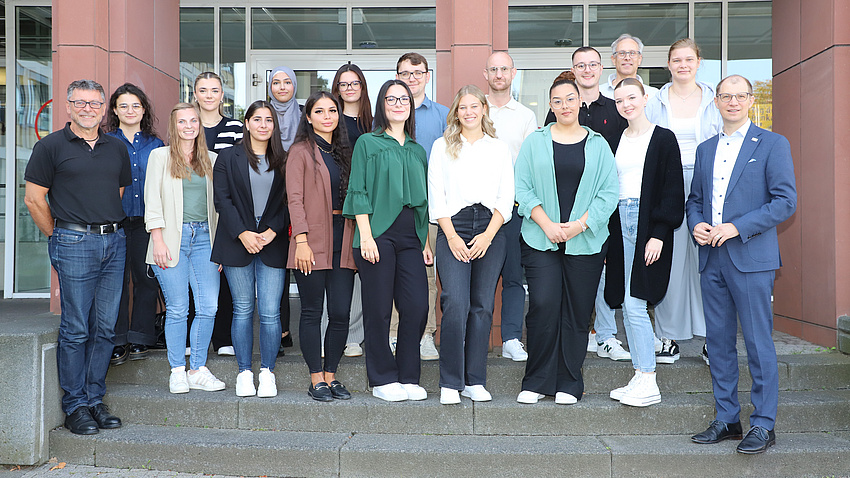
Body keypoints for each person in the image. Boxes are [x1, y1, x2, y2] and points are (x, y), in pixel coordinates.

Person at [688, 75, 796, 454]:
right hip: (712, 258)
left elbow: (785, 202)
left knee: (757, 342)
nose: (732, 102)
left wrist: (736, 227)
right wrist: (696, 223)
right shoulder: (704, 150)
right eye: (725, 96)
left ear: (751, 100)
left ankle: (764, 424)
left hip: (751, 259)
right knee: (717, 343)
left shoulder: (772, 144)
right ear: (715, 102)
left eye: (739, 95)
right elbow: (694, 200)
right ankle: (728, 418)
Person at [24, 79, 130, 435]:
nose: (88, 109)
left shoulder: (115, 148)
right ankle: (75, 406)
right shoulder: (50, 147)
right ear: (68, 106)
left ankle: (95, 398)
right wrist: (58, 234)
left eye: (94, 103)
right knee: (76, 328)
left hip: (114, 242)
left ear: (104, 109)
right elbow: (34, 199)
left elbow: (115, 190)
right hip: (73, 243)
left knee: (105, 327)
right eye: (80, 103)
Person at [513, 72, 618, 405]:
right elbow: (522, 187)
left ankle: (569, 382)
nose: (564, 105)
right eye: (557, 101)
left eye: (570, 99)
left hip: (584, 241)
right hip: (541, 237)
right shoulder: (535, 141)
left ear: (580, 102)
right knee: (543, 304)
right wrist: (547, 223)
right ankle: (536, 380)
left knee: (576, 311)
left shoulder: (598, 144)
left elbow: (609, 192)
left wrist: (579, 226)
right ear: (550, 106)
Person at [343, 79, 432, 402]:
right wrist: (365, 235)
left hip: (411, 236)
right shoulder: (368, 142)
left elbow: (421, 200)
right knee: (378, 309)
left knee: (417, 306)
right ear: (381, 105)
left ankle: (408, 375)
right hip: (377, 233)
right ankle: (382, 378)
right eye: (391, 99)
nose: (398, 104)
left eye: (403, 99)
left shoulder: (417, 149)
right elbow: (359, 190)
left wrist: (423, 241)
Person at [544, 47, 631, 361]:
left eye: (592, 64)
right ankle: (577, 332)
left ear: (601, 67)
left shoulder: (616, 107)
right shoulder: (562, 106)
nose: (587, 70)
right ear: (573, 69)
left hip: (606, 202)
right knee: (572, 272)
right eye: (580, 65)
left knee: (606, 268)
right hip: (566, 209)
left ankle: (605, 334)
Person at [429, 85, 514, 405]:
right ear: (456, 112)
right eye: (462, 107)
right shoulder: (442, 146)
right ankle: (451, 382)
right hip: (454, 226)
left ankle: (474, 380)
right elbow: (436, 196)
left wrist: (488, 235)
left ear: (483, 109)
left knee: (482, 305)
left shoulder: (498, 148)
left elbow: (506, 198)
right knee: (455, 303)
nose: (468, 112)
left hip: (491, 229)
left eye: (473, 106)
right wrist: (452, 237)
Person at [605, 78, 684, 407]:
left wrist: (659, 233)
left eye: (631, 97)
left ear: (645, 97)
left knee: (637, 301)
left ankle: (648, 380)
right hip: (621, 219)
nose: (626, 104)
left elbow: (672, 191)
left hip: (647, 222)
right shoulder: (616, 139)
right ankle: (639, 375)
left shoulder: (663, 139)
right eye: (620, 100)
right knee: (626, 301)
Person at [646, 38, 723, 365]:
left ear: (698, 62)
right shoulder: (655, 100)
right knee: (671, 262)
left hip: (708, 182)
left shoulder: (714, 99)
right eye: (676, 60)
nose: (682, 65)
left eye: (688, 59)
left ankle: (712, 340)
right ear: (668, 64)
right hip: (669, 183)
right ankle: (668, 336)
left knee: (707, 262)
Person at [145, 103, 224, 395]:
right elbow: (151, 201)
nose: (189, 126)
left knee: (209, 307)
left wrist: (221, 250)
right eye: (182, 121)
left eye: (194, 120)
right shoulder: (159, 157)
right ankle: (177, 370)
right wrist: (158, 240)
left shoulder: (212, 159)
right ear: (173, 126)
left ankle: (198, 369)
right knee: (178, 308)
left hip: (205, 240)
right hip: (169, 240)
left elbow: (220, 208)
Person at [211, 100, 288, 398]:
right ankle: (245, 372)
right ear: (247, 123)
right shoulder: (228, 157)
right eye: (257, 119)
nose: (263, 125)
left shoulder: (284, 158)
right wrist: (243, 233)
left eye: (269, 120)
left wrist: (271, 231)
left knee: (269, 312)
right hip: (236, 241)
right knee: (242, 309)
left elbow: (289, 202)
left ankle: (267, 372)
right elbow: (223, 201)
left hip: (273, 241)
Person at [288, 91, 357, 402]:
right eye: (320, 111)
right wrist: (301, 241)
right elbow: (295, 200)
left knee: (340, 312)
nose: (327, 116)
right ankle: (315, 377)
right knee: (312, 311)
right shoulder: (301, 151)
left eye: (333, 110)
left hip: (344, 237)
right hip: (312, 239)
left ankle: (331, 375)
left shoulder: (345, 152)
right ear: (309, 116)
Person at [482, 51, 537, 362]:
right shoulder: (477, 109)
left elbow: (530, 164)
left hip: (514, 210)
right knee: (482, 279)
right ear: (486, 74)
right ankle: (477, 337)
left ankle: (511, 339)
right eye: (493, 69)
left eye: (504, 69)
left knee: (514, 276)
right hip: (479, 209)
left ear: (513, 73)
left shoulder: (525, 116)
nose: (499, 74)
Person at [105, 83, 165, 366]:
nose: (130, 111)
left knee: (145, 279)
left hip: (146, 222)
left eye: (136, 106)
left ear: (144, 110)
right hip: (114, 222)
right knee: (116, 282)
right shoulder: (105, 142)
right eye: (124, 106)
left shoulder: (156, 145)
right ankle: (117, 341)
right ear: (115, 110)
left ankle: (141, 336)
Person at [395, 52, 449, 360]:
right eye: (405, 73)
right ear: (397, 77)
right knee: (392, 272)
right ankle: (394, 333)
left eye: (417, 72)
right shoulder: (386, 114)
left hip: (429, 207)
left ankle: (425, 335)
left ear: (427, 76)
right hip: (392, 207)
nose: (412, 78)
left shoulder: (442, 115)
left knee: (427, 273)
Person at [192, 71, 243, 357]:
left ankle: (223, 338)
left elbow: (239, 168)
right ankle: (191, 337)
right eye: (203, 90)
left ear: (222, 95)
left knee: (222, 273)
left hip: (223, 208)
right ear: (195, 94)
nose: (209, 95)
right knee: (193, 275)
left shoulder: (235, 127)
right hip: (192, 209)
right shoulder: (187, 123)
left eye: (214, 90)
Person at [329, 63, 373, 358]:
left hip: (369, 206)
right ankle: (330, 333)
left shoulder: (373, 121)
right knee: (336, 273)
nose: (349, 88)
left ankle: (354, 336)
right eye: (343, 84)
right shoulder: (329, 118)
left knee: (360, 272)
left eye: (354, 83)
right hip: (335, 206)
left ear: (362, 86)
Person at [268, 66, 302, 353]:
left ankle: (303, 330)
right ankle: (279, 331)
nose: (281, 87)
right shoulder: (263, 115)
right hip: (272, 198)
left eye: (287, 82)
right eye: (276, 82)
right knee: (277, 264)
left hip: (302, 198)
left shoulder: (305, 115)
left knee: (302, 261)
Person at [599, 34, 659, 100]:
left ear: (639, 59)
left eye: (632, 53)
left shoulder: (654, 95)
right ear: (613, 59)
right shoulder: (599, 93)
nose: (627, 58)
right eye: (622, 53)